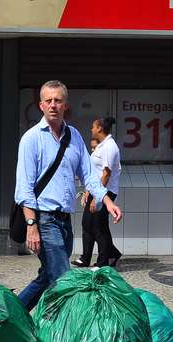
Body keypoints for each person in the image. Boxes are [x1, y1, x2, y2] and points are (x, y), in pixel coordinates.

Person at [15, 80, 123, 311]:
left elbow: (89, 175)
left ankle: (12, 314)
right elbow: (24, 188)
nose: (53, 105)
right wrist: (31, 225)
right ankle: (64, 332)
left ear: (66, 105)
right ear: (41, 105)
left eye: (58, 100)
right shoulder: (31, 139)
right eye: (48, 100)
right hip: (44, 219)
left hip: (64, 220)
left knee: (47, 276)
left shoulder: (73, 136)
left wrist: (107, 200)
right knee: (64, 279)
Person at [73, 117, 123, 269]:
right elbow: (94, 172)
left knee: (98, 227)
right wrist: (89, 190)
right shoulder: (102, 145)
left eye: (93, 127)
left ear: (100, 128)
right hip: (97, 190)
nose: (91, 130)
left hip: (105, 192)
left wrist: (98, 196)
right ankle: (95, 256)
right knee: (89, 224)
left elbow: (106, 174)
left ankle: (104, 261)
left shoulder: (110, 147)